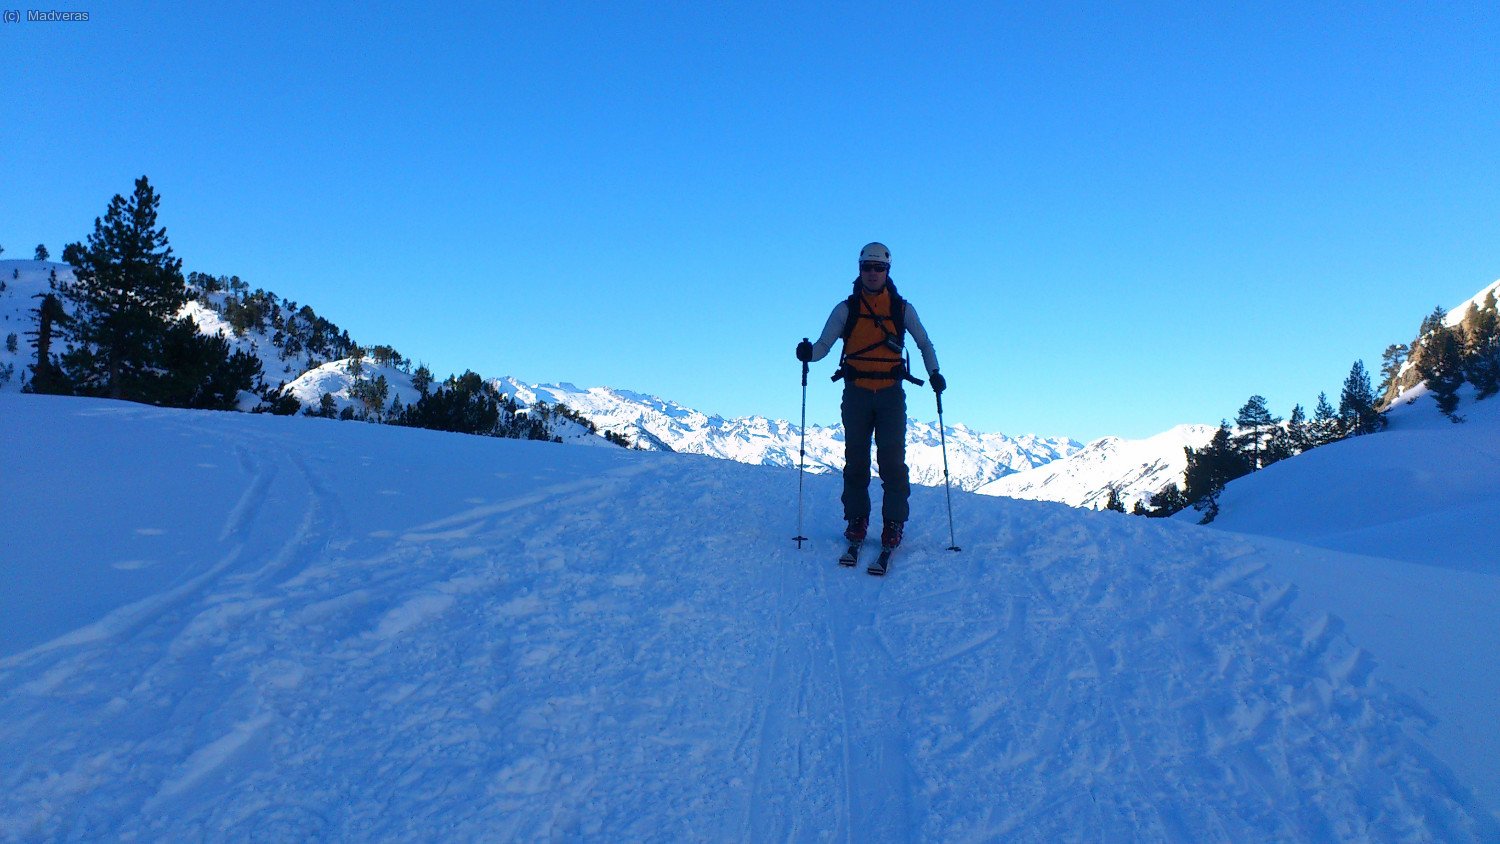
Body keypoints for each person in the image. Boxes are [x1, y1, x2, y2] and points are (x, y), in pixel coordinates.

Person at [796, 242, 945, 550]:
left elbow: (925, 344)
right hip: (858, 394)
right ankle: (858, 519)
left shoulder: (900, 308)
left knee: (892, 462)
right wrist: (809, 354)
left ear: (887, 271)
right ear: (859, 269)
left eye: (879, 268)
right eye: (868, 267)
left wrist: (935, 374)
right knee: (856, 461)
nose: (873, 273)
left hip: (888, 393)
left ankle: (892, 522)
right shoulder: (846, 309)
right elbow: (823, 346)